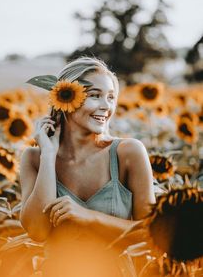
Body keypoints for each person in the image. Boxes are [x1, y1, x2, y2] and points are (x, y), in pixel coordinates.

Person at [19, 56, 156, 277]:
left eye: (110, 97)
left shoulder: (128, 153)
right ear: (66, 98)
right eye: (94, 96)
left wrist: (88, 217)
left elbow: (151, 234)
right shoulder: (34, 158)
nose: (106, 106)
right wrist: (49, 155)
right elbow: (37, 230)